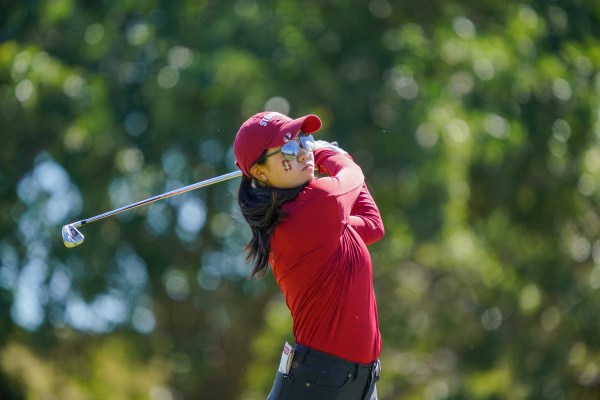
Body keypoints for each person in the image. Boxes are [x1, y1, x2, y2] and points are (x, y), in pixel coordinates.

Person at [234, 111, 385, 400]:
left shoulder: (318, 219)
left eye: (305, 141)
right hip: (319, 385)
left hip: (359, 384)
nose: (304, 153)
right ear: (261, 173)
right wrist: (329, 153)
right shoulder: (311, 207)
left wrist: (331, 156)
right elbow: (352, 176)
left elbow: (372, 225)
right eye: (290, 148)